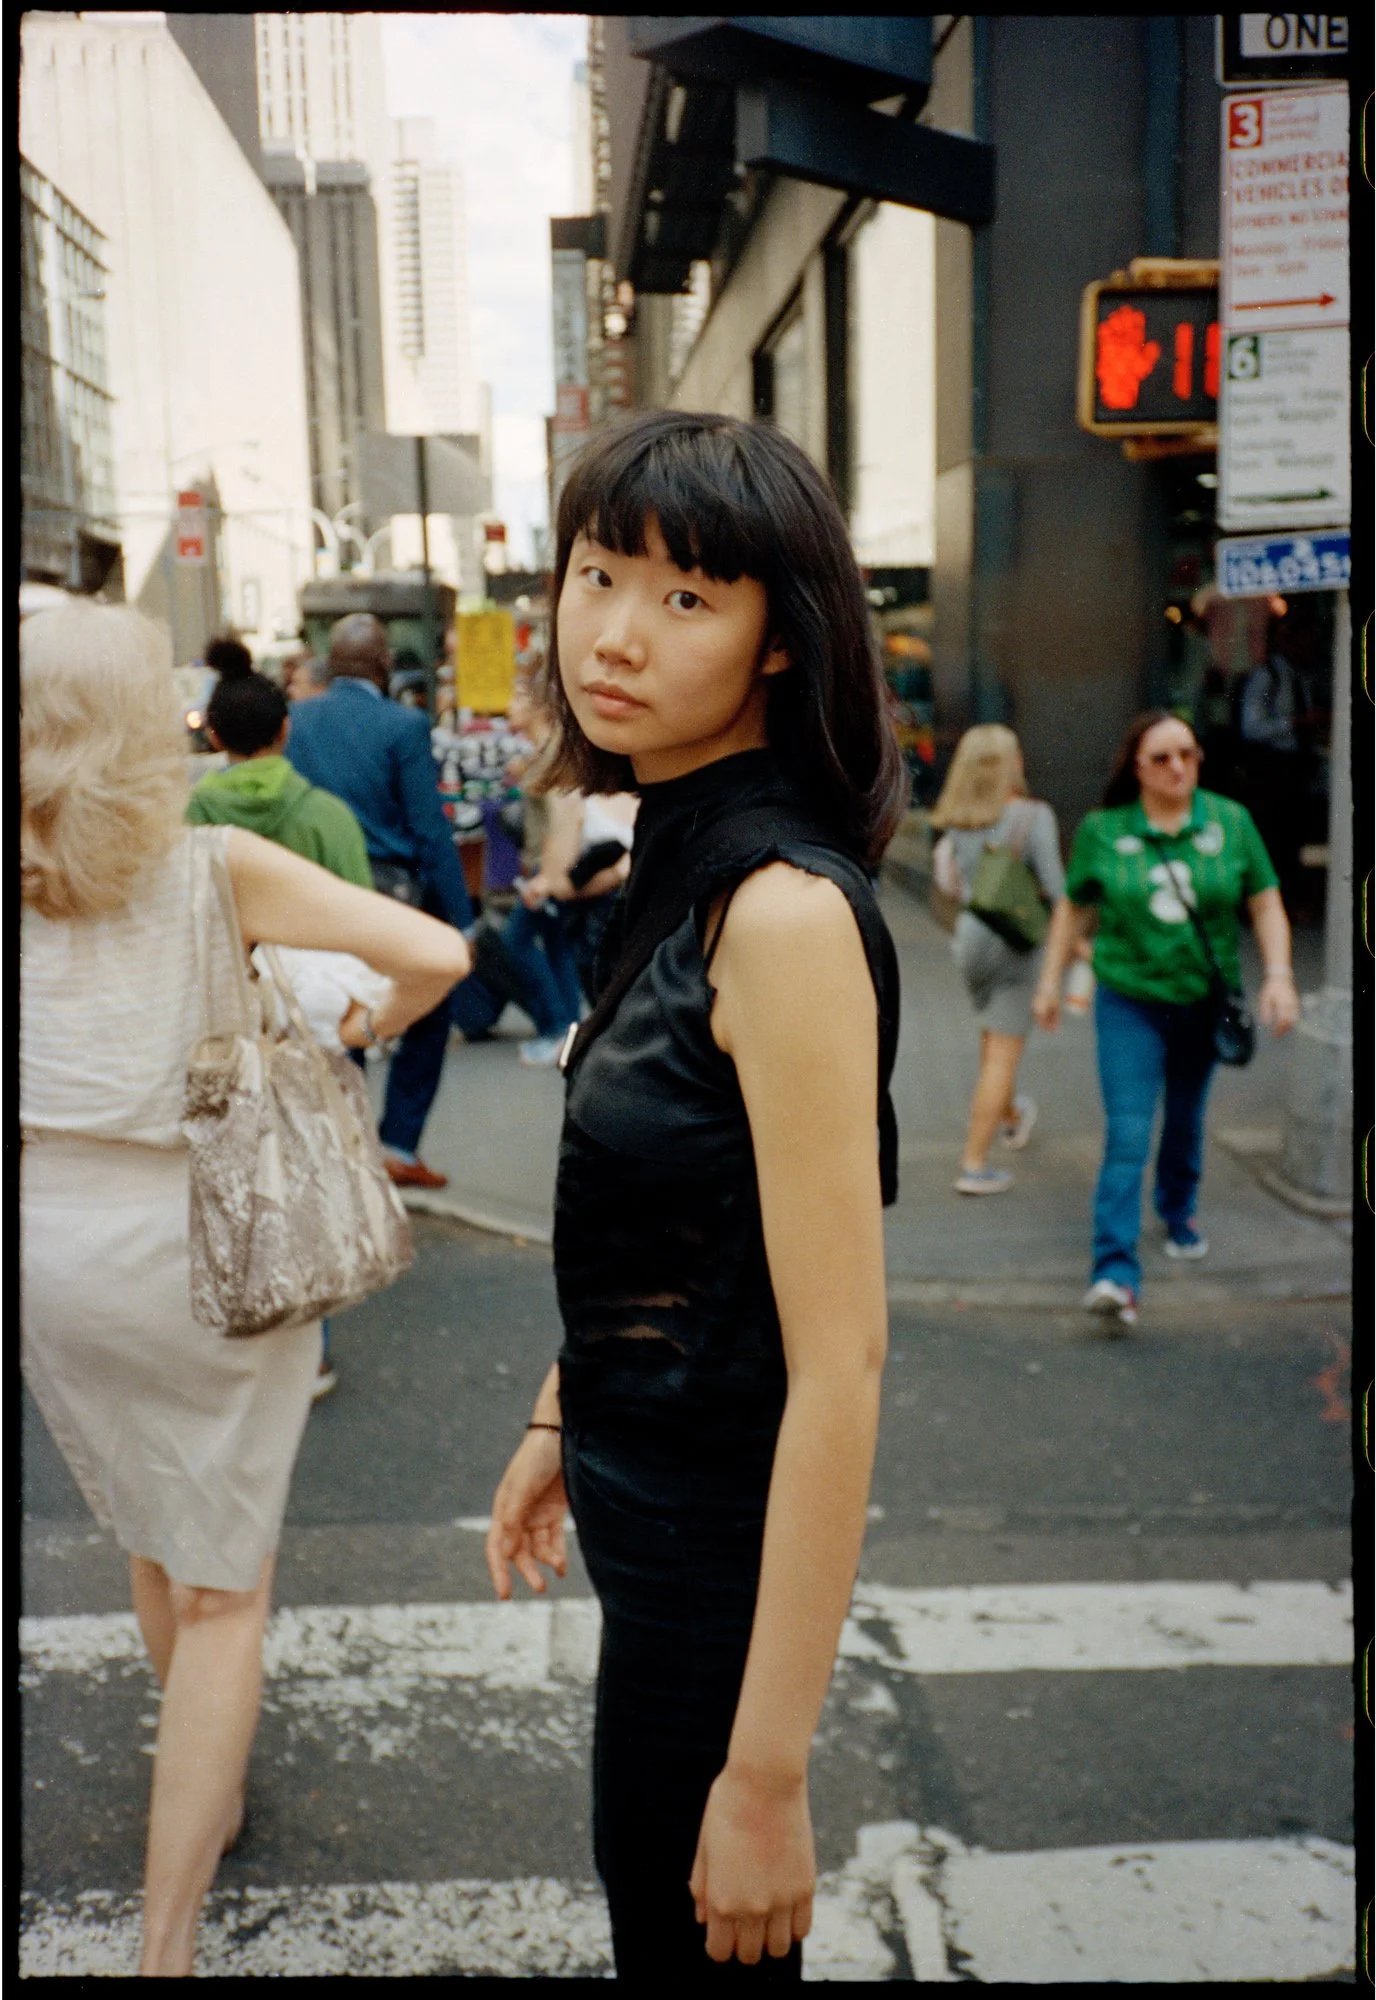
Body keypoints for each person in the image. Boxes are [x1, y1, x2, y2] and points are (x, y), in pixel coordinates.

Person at [485, 410, 906, 1980]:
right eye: (599, 577)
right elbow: (665, 1223)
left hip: (721, 1587)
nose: (616, 633)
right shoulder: (669, 846)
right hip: (648, 1534)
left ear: (779, 642)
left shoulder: (782, 915)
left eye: (685, 598)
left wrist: (771, 1773)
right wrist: (556, 1415)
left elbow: (840, 1358)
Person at [20, 600, 469, 1976]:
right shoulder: (214, 862)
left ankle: (199, 1802)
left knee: (158, 1534)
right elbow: (438, 955)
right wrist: (343, 1023)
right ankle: (166, 1949)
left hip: (50, 1242)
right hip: (207, 1238)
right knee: (227, 1591)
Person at [1032, 709, 1299, 1329]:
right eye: (1162, 758)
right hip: (1129, 1001)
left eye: (1188, 753)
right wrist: (1049, 984)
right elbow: (1073, 911)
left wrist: (1281, 976)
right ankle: (1115, 1273)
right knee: (1128, 1131)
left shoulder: (1230, 822)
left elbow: (1265, 903)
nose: (1179, 767)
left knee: (1184, 1119)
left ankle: (1178, 1209)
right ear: (1136, 768)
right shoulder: (1104, 829)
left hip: (1203, 1002)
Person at [187, 652, 378, 1401]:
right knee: (312, 1176)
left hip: (219, 1025)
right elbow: (364, 931)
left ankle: (233, 1338)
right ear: (286, 731)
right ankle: (313, 1349)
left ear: (214, 741)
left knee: (230, 1180)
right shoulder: (326, 815)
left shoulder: (194, 817)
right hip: (315, 1029)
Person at [284, 612, 475, 1189]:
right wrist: (461, 918)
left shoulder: (297, 719)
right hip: (391, 893)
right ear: (385, 664)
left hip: (313, 891)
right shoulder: (404, 725)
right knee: (427, 1009)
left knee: (335, 1013)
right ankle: (397, 1143)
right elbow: (427, 826)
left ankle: (346, 1145)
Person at [928, 724, 1065, 1195]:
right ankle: (974, 1165)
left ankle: (1011, 1113)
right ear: (1014, 764)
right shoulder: (1033, 815)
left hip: (970, 939)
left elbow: (948, 885)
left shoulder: (957, 818)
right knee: (1002, 1055)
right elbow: (1057, 890)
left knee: (994, 1041)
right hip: (1016, 942)